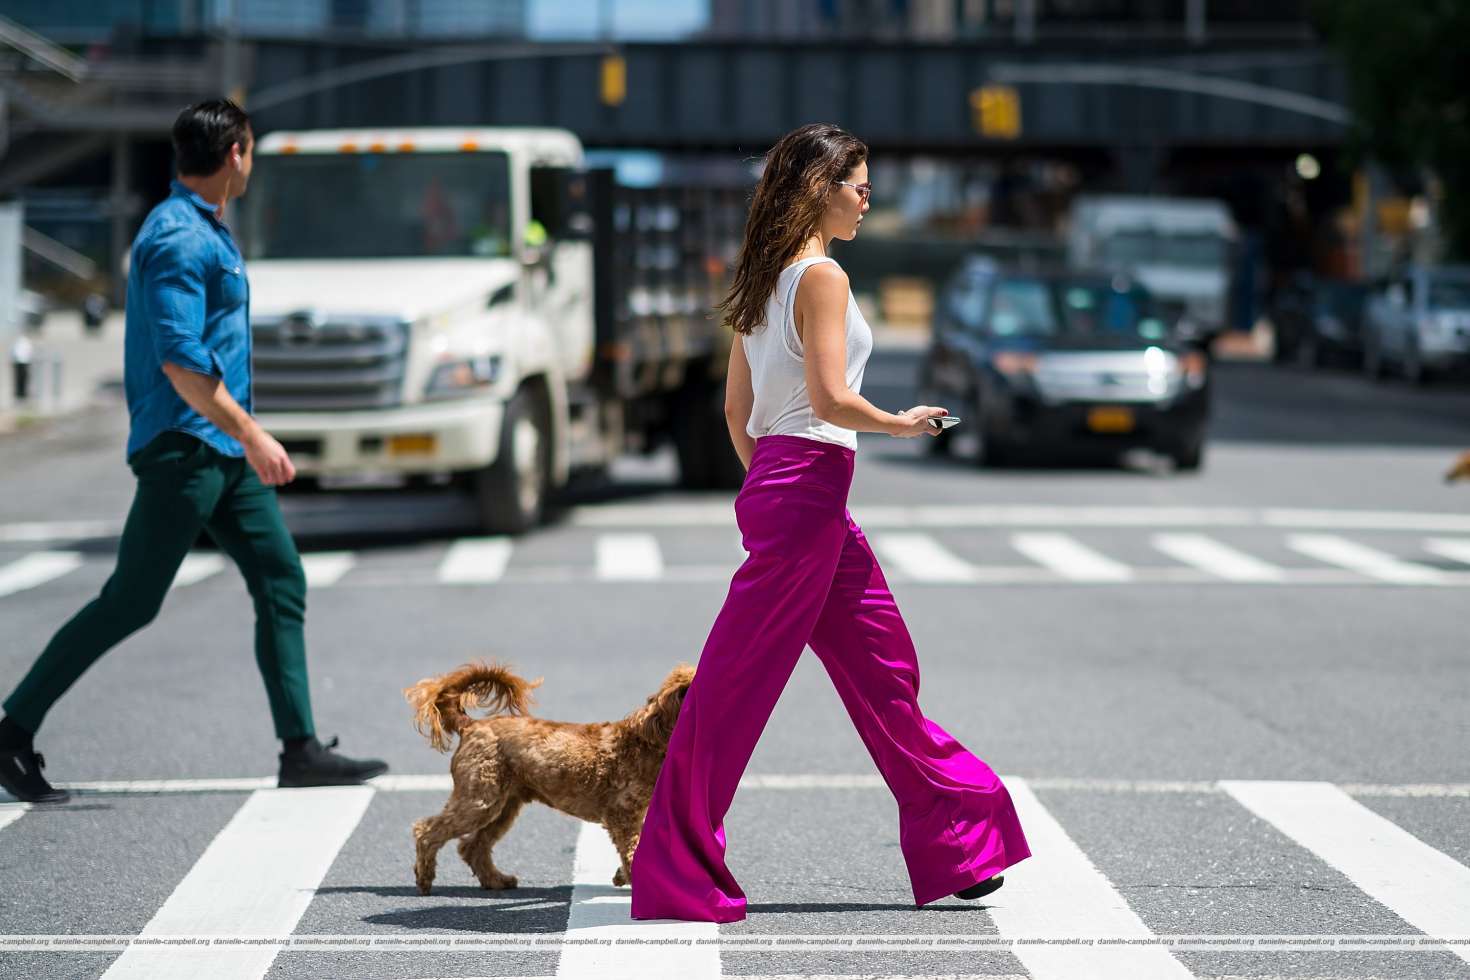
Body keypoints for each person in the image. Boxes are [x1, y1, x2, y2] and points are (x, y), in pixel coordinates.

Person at [628, 123, 1032, 923]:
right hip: (808, 488)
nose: (867, 196)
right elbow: (829, 402)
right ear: (820, 187)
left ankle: (959, 839)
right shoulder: (820, 278)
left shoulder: (761, 279)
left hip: (795, 489)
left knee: (883, 665)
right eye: (858, 183)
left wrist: (772, 488)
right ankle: (675, 867)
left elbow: (736, 413)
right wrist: (903, 423)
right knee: (735, 685)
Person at [0, 99, 388, 805]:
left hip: (220, 452)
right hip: (185, 448)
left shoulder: (207, 228)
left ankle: (299, 748)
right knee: (130, 601)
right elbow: (181, 364)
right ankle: (10, 728)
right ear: (235, 153)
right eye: (251, 150)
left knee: (280, 579)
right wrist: (253, 433)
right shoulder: (177, 238)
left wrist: (239, 440)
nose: (252, 161)